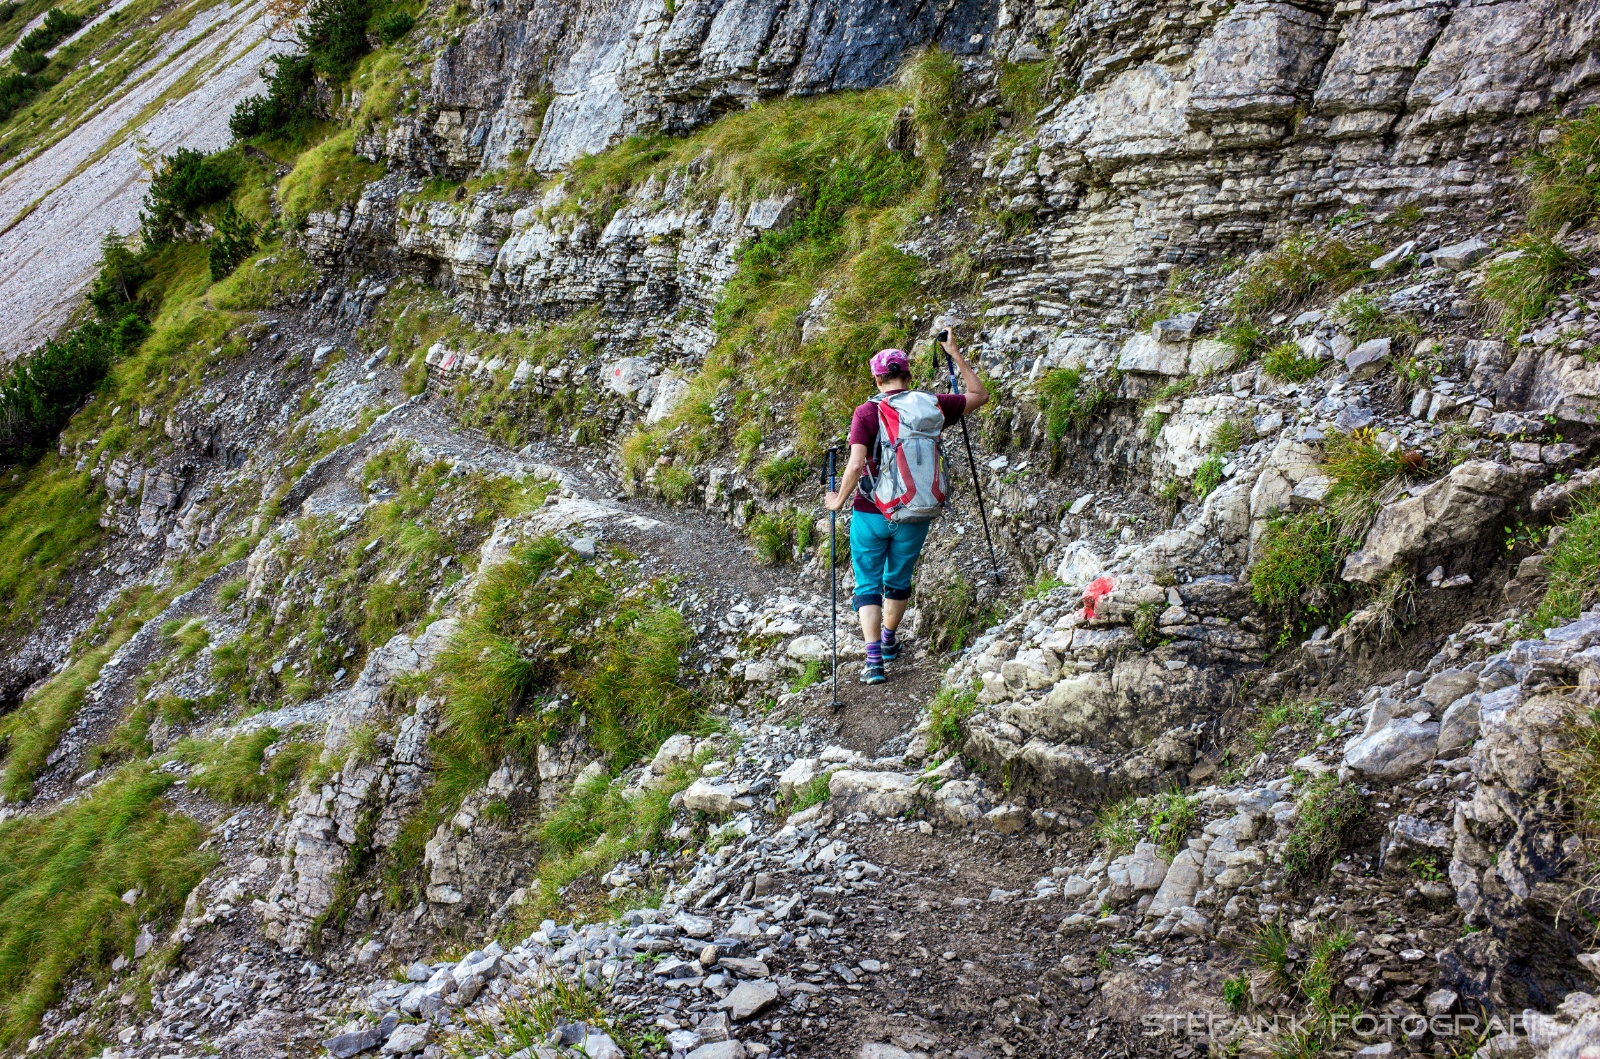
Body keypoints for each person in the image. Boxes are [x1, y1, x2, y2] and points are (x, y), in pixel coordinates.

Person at [825, 330, 989, 684]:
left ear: (877, 378)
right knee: (898, 580)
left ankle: (873, 662)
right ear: (909, 375)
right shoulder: (932, 405)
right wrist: (955, 354)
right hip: (916, 509)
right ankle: (888, 641)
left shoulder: (867, 412)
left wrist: (837, 500)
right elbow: (979, 395)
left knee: (867, 584)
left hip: (870, 512)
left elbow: (855, 465)